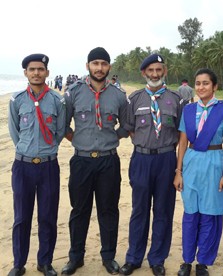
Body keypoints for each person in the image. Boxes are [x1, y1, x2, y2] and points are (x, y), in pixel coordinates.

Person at [61, 47, 128, 275]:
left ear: (109, 67)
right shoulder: (73, 92)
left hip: (109, 161)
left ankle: (108, 257)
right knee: (79, 210)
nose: (99, 68)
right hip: (81, 161)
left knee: (108, 210)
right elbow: (63, 125)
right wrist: (78, 140)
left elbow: (126, 125)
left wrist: (112, 138)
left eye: (104, 64)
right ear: (87, 65)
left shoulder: (118, 95)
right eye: (95, 63)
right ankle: (75, 257)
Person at [119, 53, 184, 276]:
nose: (155, 74)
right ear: (144, 73)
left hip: (167, 159)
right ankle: (134, 257)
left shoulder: (176, 100)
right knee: (139, 210)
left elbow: (181, 132)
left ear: (164, 71)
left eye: (159, 70)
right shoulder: (134, 99)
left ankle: (157, 258)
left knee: (163, 210)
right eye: (150, 70)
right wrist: (144, 144)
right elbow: (129, 127)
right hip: (141, 159)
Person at [8, 54, 66, 276]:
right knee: (22, 217)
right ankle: (18, 263)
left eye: (41, 69)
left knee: (47, 217)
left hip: (48, 167)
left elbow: (59, 132)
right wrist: (28, 150)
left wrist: (44, 151)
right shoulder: (17, 100)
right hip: (23, 167)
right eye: (32, 69)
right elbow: (15, 132)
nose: (36, 73)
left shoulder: (57, 101)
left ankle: (45, 262)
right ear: (25, 72)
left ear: (47, 73)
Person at [173, 68, 223, 276]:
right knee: (190, 214)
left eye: (206, 83)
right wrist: (178, 171)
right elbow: (182, 142)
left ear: (214, 86)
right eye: (198, 83)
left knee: (210, 215)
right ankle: (187, 260)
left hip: (215, 163)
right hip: (191, 163)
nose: (201, 87)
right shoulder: (189, 110)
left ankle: (203, 262)